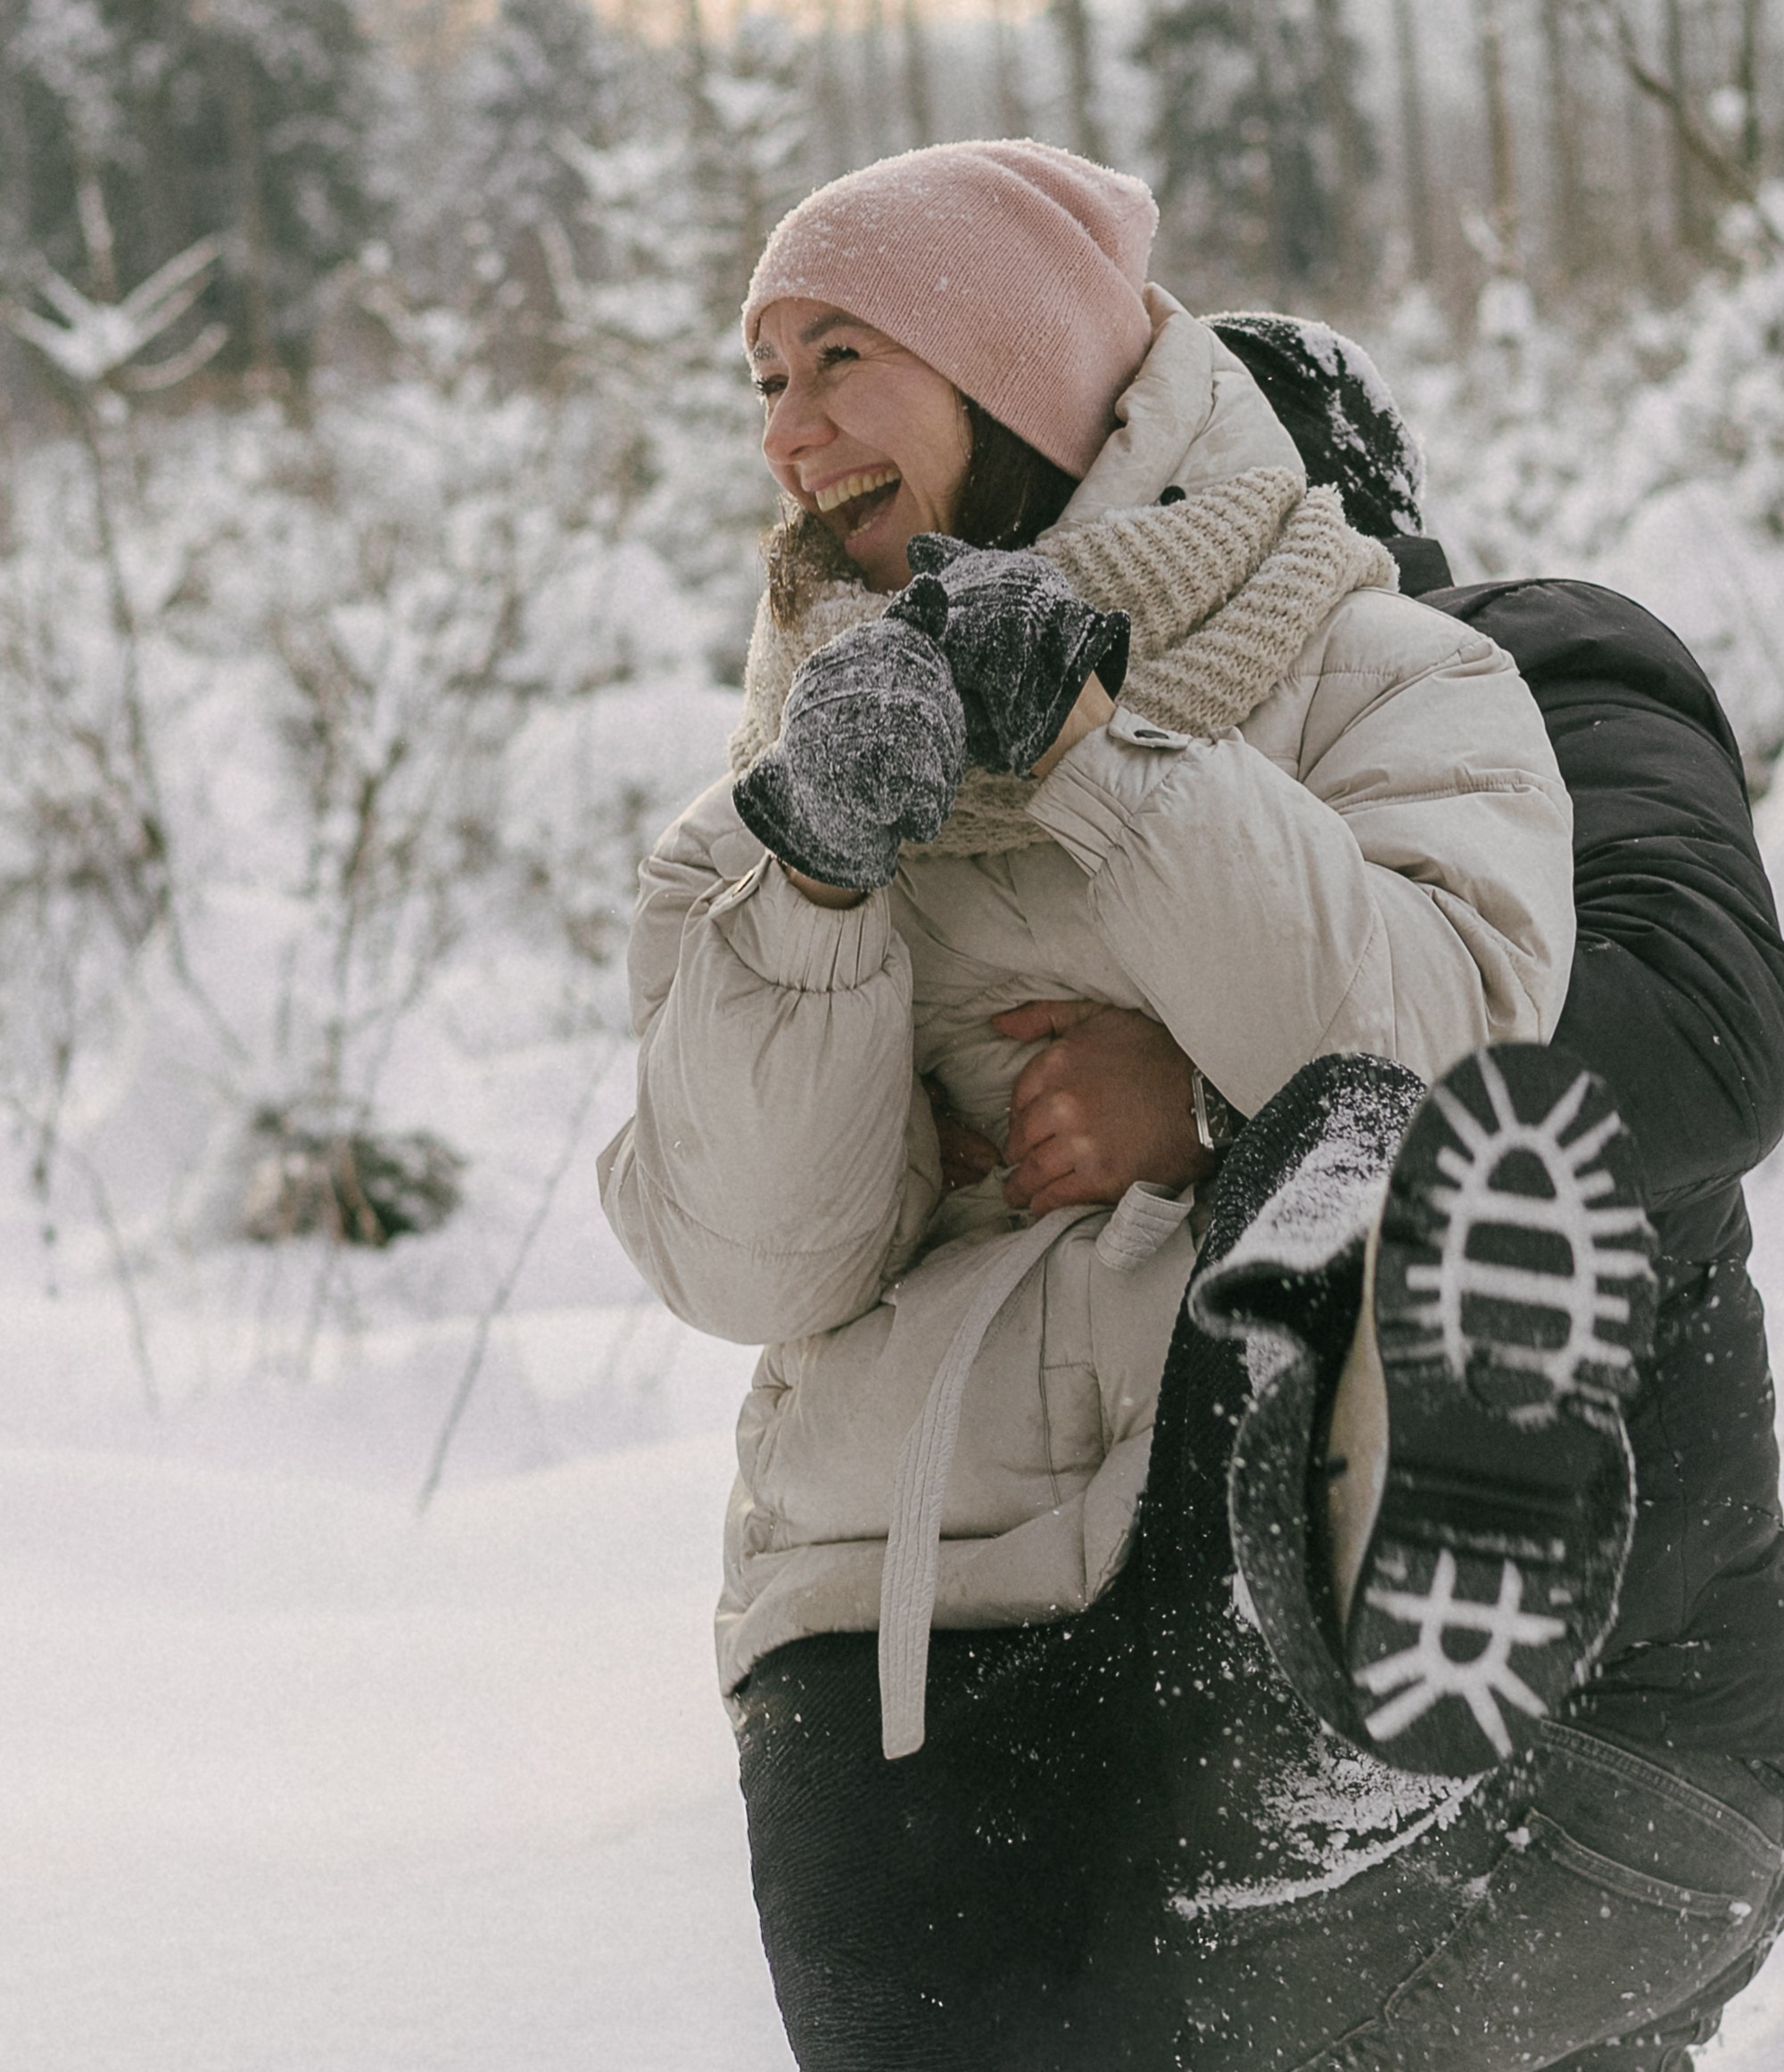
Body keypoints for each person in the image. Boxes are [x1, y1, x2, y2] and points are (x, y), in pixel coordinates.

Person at [597, 141, 1782, 2068]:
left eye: (843, 362)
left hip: (1466, 1649)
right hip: (895, 1639)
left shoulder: (1490, 671)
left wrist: (1207, 1091)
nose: (790, 433)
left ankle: (1389, 1564)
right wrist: (810, 881)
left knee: (1388, 1153)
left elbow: (1639, 1040)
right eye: (765, 381)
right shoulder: (777, 789)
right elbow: (750, 1251)